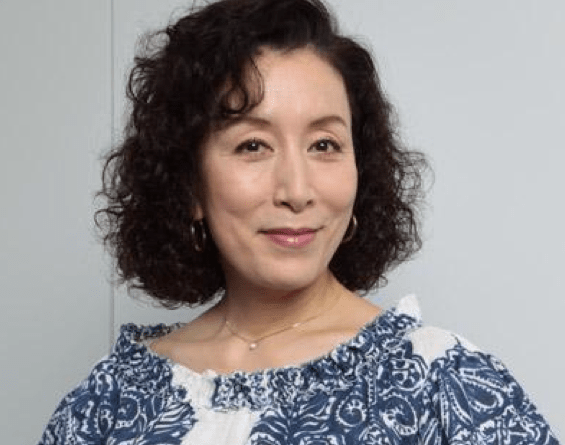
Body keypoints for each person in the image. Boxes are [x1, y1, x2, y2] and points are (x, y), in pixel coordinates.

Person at [39, 0, 559, 444]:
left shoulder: (444, 383)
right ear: (190, 184)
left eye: (324, 144)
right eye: (253, 145)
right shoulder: (109, 402)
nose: (296, 190)